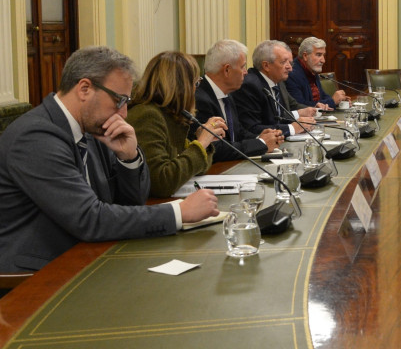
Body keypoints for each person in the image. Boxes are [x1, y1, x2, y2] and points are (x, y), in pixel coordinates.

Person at [0, 46, 218, 273]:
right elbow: (88, 218)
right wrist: (179, 212)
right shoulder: (35, 137)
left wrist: (129, 157)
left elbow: (132, 202)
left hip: (88, 255)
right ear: (84, 88)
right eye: (119, 100)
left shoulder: (93, 128)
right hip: (38, 274)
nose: (123, 114)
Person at [127, 51, 228, 197]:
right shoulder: (148, 115)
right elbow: (162, 182)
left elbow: (199, 168)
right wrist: (200, 143)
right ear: (182, 86)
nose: (195, 89)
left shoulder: (168, 113)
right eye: (196, 83)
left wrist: (201, 143)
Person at [195, 39, 284, 162]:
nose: (246, 72)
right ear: (227, 70)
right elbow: (216, 149)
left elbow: (238, 133)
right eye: (242, 67)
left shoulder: (227, 94)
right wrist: (261, 143)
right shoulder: (200, 99)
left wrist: (261, 136)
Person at [233, 40, 318, 136]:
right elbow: (252, 128)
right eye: (283, 62)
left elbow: (279, 116)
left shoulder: (278, 81)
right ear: (266, 66)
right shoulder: (249, 86)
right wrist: (292, 128)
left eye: (290, 63)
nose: (290, 68)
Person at [285, 37, 348, 109]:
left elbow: (322, 95)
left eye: (323, 55)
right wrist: (332, 101)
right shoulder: (291, 73)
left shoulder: (311, 68)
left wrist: (339, 100)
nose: (323, 60)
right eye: (319, 55)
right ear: (305, 56)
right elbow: (299, 105)